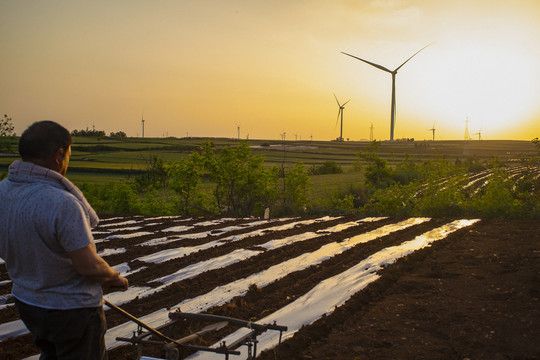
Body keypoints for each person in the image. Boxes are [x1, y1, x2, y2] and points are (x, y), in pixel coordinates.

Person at [0, 121, 128, 359]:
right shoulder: (62, 202)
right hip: (70, 310)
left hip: (28, 303)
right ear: (59, 154)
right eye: (69, 154)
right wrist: (115, 277)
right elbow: (88, 266)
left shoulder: (3, 192)